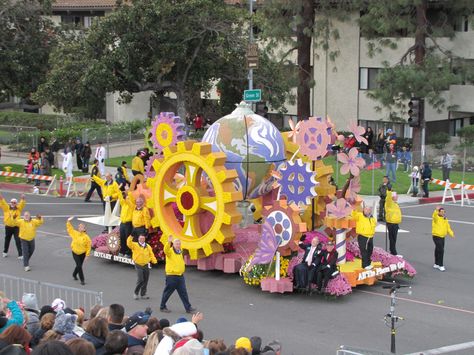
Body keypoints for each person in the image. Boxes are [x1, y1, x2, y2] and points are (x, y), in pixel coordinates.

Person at [160, 236, 196, 314]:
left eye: (179, 243)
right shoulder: (170, 251)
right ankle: (162, 306)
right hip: (172, 276)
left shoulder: (180, 251)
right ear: (173, 244)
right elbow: (165, 250)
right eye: (176, 243)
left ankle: (188, 308)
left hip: (180, 276)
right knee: (167, 292)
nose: (178, 245)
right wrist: (168, 242)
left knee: (183, 293)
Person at [127, 235, 157, 300]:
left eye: (143, 238)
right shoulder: (134, 245)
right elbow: (129, 243)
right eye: (140, 238)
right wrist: (131, 236)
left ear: (144, 239)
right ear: (138, 239)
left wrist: (154, 260)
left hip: (146, 265)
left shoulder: (148, 246)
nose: (142, 239)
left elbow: (151, 254)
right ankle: (136, 293)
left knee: (146, 280)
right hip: (138, 264)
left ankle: (143, 294)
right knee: (140, 279)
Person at [66, 217, 92, 285]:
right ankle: (82, 280)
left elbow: (88, 246)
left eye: (81, 227)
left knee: (79, 265)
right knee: (79, 266)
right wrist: (68, 221)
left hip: (82, 254)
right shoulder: (75, 233)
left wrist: (87, 255)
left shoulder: (86, 237)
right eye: (79, 227)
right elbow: (70, 229)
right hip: (75, 252)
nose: (80, 228)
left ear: (84, 229)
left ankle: (74, 274)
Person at [1, 193, 26, 258]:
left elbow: (22, 204)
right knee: (7, 240)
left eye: (14, 202)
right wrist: (0, 197)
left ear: (16, 203)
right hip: (8, 227)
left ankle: (20, 254)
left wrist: (23, 198)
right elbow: (3, 202)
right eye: (12, 202)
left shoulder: (19, 209)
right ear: (10, 203)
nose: (13, 203)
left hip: (16, 228)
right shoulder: (6, 208)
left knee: (18, 240)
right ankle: (5, 252)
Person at [432, 206, 455, 272]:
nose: (443, 213)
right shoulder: (436, 218)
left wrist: (451, 233)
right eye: (441, 211)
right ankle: (441, 265)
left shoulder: (445, 218)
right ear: (438, 212)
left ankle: (436, 263)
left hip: (442, 237)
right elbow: (434, 216)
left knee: (437, 249)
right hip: (436, 236)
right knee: (441, 250)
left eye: (444, 212)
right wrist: (436, 210)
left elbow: (448, 227)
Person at [385, 190, 402, 256]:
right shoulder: (389, 203)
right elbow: (388, 198)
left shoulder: (394, 203)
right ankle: (393, 252)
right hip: (391, 223)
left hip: (395, 223)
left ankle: (392, 251)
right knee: (392, 239)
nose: (397, 196)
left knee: (394, 239)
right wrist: (389, 191)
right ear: (392, 197)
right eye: (396, 195)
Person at [118, 192, 133, 257]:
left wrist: (128, 192)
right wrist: (119, 191)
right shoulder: (123, 204)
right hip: (122, 223)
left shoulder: (132, 205)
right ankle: (122, 251)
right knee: (122, 238)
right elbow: (120, 197)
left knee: (128, 238)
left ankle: (128, 252)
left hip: (128, 223)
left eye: (128, 198)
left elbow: (129, 202)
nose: (126, 198)